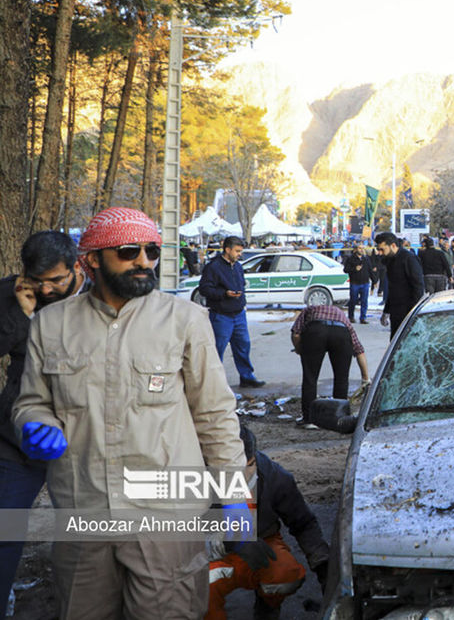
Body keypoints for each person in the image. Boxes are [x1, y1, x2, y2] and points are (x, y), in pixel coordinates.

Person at [14, 207, 247, 618]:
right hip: (84, 509)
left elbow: (215, 413)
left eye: (151, 251)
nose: (143, 261)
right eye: (128, 251)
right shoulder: (50, 325)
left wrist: (233, 495)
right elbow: (31, 401)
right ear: (92, 259)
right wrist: (36, 423)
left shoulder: (185, 320)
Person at [0, 232, 85, 609]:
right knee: (5, 527)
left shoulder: (100, 297)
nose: (47, 289)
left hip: (83, 438)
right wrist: (21, 314)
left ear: (76, 267)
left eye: (56, 280)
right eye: (38, 281)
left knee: (89, 532)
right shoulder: (11, 294)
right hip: (18, 437)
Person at [207, 425, 330, 619]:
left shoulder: (274, 477)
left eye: (249, 465)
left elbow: (303, 523)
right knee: (197, 587)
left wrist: (323, 563)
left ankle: (266, 608)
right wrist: (230, 542)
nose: (243, 476)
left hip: (263, 543)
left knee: (285, 575)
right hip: (214, 553)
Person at [198, 235, 264, 388]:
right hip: (221, 315)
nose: (240, 254)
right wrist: (224, 294)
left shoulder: (238, 266)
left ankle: (247, 377)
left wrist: (241, 300)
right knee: (218, 349)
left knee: (243, 345)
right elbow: (204, 289)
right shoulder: (213, 267)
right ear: (227, 250)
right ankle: (215, 381)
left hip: (238, 313)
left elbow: (241, 284)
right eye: (237, 251)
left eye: (241, 251)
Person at [290, 302, 370, 424]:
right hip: (341, 334)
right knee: (341, 379)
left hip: (315, 331)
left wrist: (300, 349)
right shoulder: (341, 315)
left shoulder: (308, 310)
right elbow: (359, 350)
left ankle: (309, 420)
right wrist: (365, 378)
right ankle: (340, 419)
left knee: (310, 378)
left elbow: (296, 333)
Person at [376, 231, 424, 338]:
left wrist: (413, 313)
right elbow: (392, 288)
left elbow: (418, 286)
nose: (380, 253)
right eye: (378, 249)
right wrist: (386, 311)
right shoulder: (389, 260)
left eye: (382, 249)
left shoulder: (409, 259)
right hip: (395, 310)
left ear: (393, 245)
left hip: (408, 310)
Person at [344, 245, 373, 323]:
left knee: (364, 301)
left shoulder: (366, 258)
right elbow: (346, 269)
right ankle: (351, 317)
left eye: (363, 248)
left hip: (365, 283)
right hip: (355, 283)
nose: (361, 250)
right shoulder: (351, 259)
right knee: (353, 300)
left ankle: (363, 318)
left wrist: (374, 281)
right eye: (360, 248)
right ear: (356, 249)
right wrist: (354, 269)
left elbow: (370, 270)